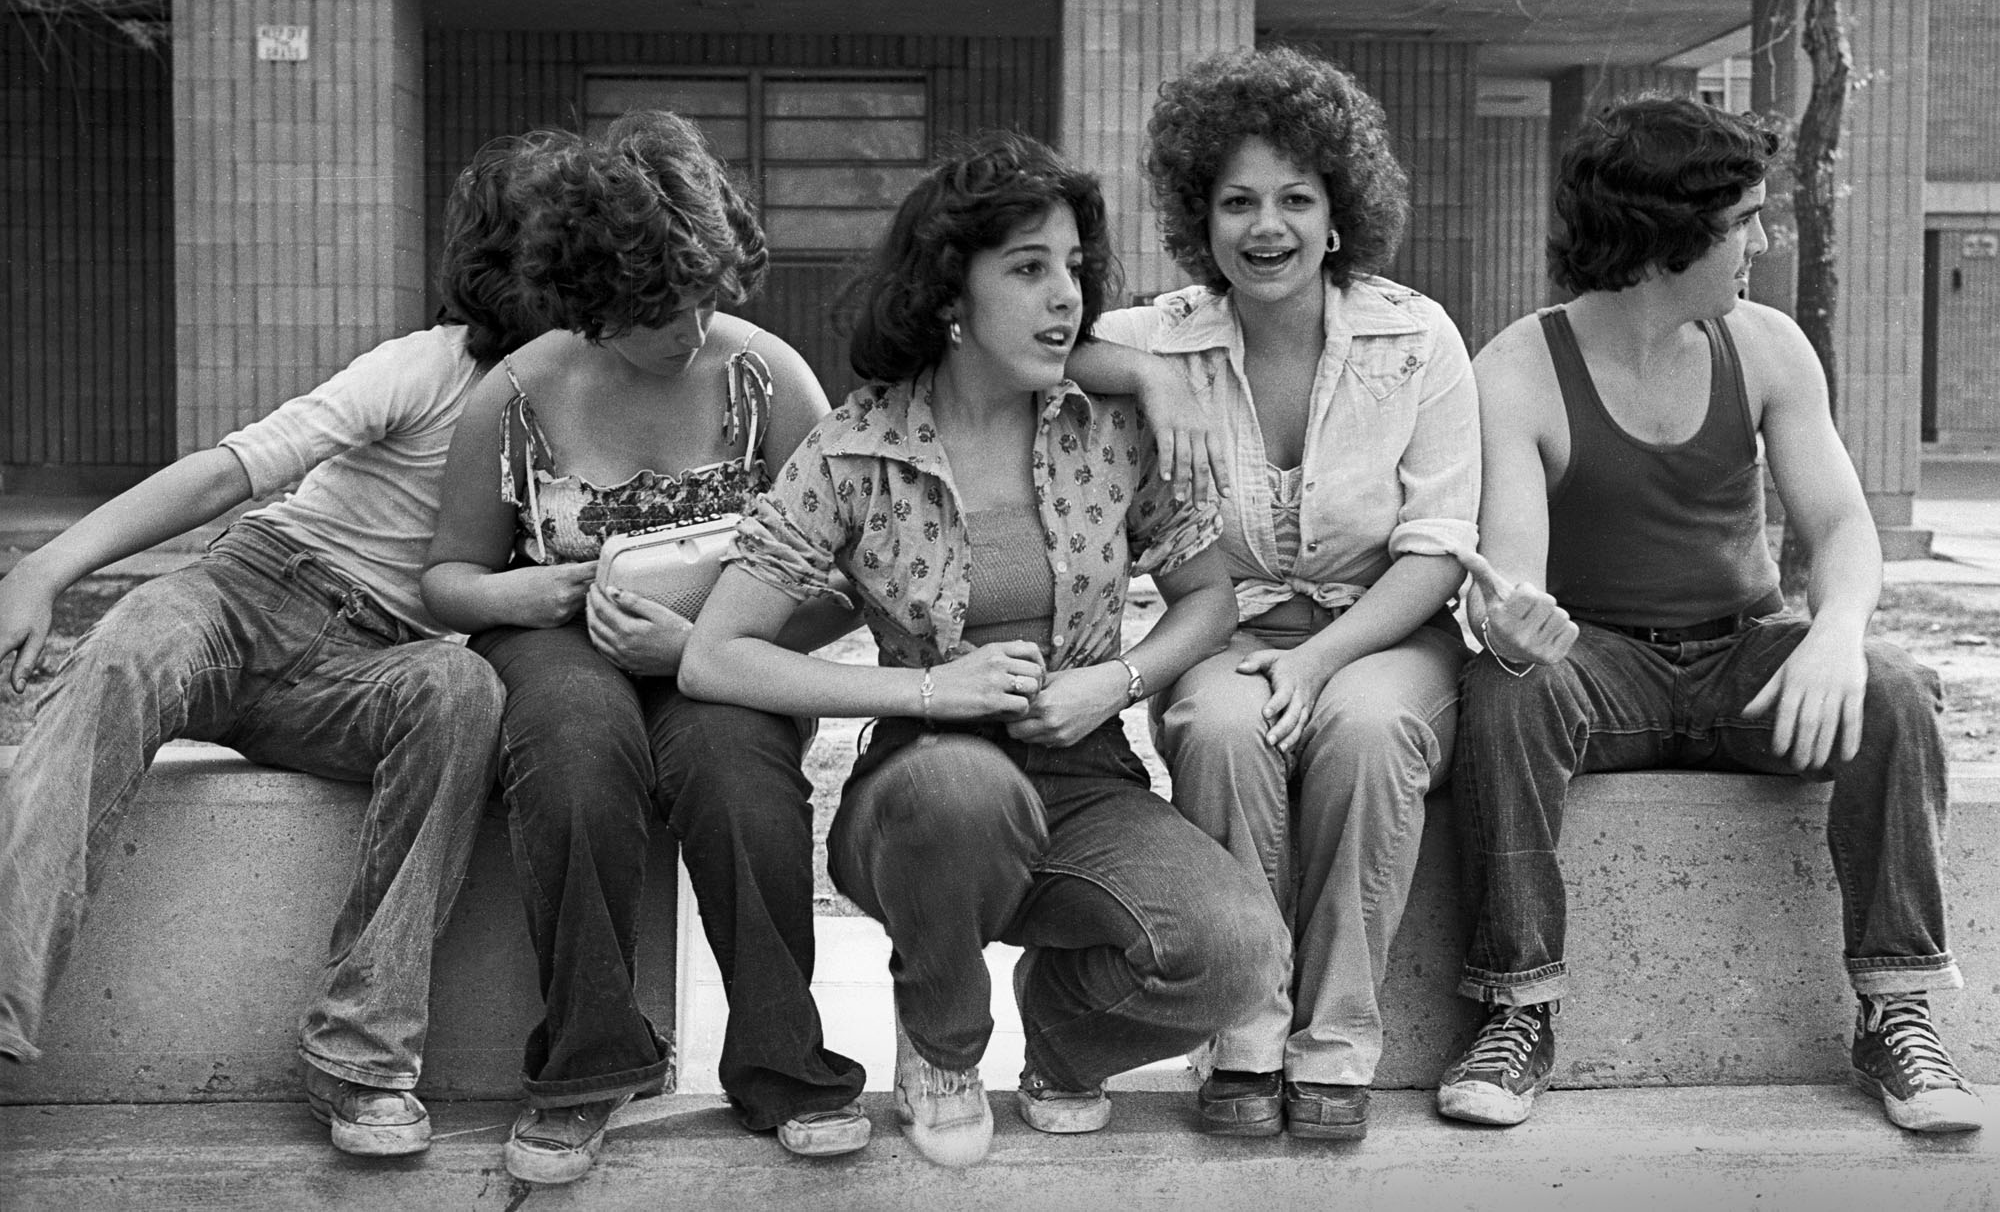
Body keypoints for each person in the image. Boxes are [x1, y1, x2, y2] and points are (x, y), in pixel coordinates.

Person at [682, 132, 1289, 1169]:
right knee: (961, 788)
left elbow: (1207, 598)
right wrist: (925, 688)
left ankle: (1059, 1037)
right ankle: (943, 1038)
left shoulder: (1103, 427)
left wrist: (1116, 680)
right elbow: (715, 657)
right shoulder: (856, 446)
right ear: (948, 289)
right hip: (921, 788)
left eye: (1071, 268)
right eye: (1026, 268)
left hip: (1083, 776)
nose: (1065, 295)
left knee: (1236, 955)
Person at [0, 129, 570, 1155]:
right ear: (509, 270)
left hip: (372, 669)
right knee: (125, 654)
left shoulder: (590, 410)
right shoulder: (425, 367)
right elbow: (230, 471)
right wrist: (46, 568)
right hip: (248, 595)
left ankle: (360, 1058)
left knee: (462, 691)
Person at [1437, 94, 1983, 1134]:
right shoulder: (1515, 369)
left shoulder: (1766, 347)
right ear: (1667, 234)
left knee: (1896, 690)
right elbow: (1515, 586)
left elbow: (1840, 529)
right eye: (1744, 221)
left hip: (1743, 656)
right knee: (1505, 690)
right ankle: (1515, 1012)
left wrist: (1830, 634)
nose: (1763, 242)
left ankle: (1896, 1010)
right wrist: (1513, 626)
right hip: (1601, 668)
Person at [421, 110, 865, 1186]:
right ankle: (586, 1064)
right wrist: (526, 591)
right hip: (560, 646)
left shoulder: (767, 382)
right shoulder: (517, 397)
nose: (689, 324)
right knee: (572, 757)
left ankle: (782, 1061)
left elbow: (851, 581)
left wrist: (701, 644)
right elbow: (444, 578)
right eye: (656, 307)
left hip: (721, 650)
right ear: (589, 299)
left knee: (738, 777)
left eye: (704, 291)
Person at [1067, 45, 1479, 1141]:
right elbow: (1023, 350)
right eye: (1236, 201)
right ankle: (1242, 1033)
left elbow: (1436, 550)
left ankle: (1334, 1042)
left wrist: (1314, 660)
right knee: (1217, 723)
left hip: (1385, 627)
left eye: (1294, 198)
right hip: (1227, 625)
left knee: (1363, 728)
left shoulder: (1415, 335)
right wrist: (1143, 376)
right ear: (1198, 220)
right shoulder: (1161, 336)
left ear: (1336, 211)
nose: (1266, 227)